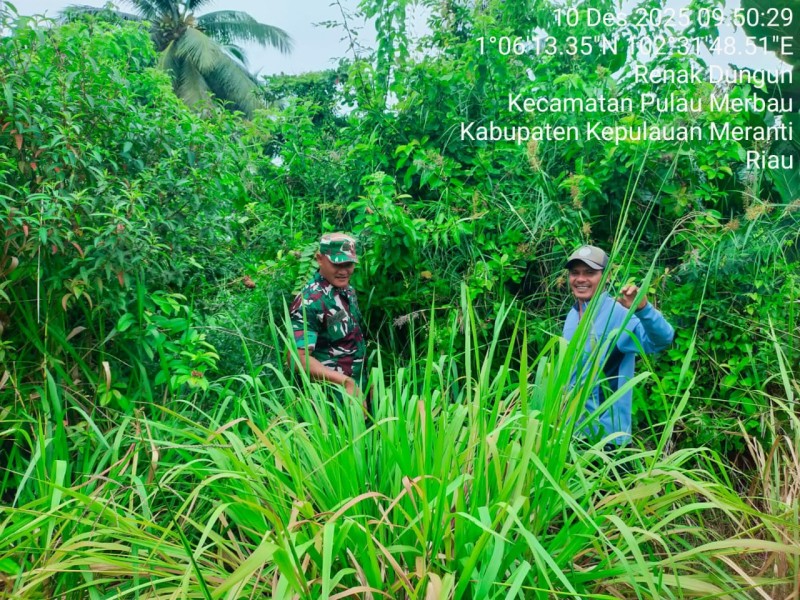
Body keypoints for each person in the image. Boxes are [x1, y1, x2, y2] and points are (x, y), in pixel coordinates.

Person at [562, 245, 674, 447]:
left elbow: (662, 339)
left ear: (606, 276)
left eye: (589, 273)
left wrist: (643, 309)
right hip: (573, 437)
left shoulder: (619, 314)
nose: (580, 279)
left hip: (607, 441)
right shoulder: (572, 315)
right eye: (575, 273)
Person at [288, 232, 367, 400]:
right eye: (337, 264)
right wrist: (346, 383)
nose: (344, 271)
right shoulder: (309, 302)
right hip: (330, 398)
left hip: (358, 388)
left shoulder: (347, 291)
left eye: (349, 264)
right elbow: (297, 359)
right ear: (319, 259)